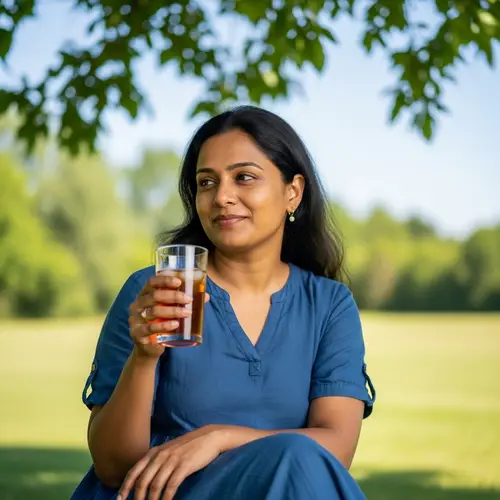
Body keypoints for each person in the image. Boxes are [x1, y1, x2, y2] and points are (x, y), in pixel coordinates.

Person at [71, 105, 376, 500]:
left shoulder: (329, 305)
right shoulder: (153, 292)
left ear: (293, 192)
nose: (222, 197)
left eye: (244, 177)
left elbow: (334, 451)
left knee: (299, 458)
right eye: (206, 182)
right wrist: (144, 358)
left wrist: (218, 438)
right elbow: (113, 466)